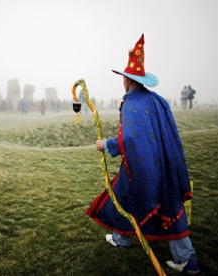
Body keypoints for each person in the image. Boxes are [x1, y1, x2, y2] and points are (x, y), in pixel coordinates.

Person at [85, 34, 200, 274]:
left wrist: (106, 144)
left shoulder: (132, 104)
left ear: (127, 81)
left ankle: (128, 240)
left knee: (129, 196)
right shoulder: (157, 100)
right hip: (164, 164)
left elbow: (131, 139)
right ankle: (185, 259)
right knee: (165, 203)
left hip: (143, 166)